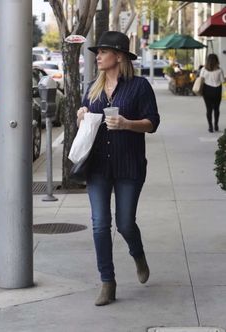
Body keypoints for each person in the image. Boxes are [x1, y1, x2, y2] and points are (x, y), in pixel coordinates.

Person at [76, 31, 160, 306]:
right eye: (97, 52)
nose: (97, 56)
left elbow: (152, 123)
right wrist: (81, 115)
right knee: (100, 224)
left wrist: (127, 124)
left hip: (129, 165)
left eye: (103, 52)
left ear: (119, 56)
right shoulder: (92, 87)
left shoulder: (139, 87)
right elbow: (86, 119)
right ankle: (107, 282)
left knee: (124, 224)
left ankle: (138, 253)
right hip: (98, 165)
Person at [200, 54, 224, 132]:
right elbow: (222, 81)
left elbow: (201, 80)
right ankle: (216, 125)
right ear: (217, 61)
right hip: (217, 90)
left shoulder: (203, 69)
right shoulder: (219, 70)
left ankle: (210, 126)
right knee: (216, 109)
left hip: (207, 90)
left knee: (209, 109)